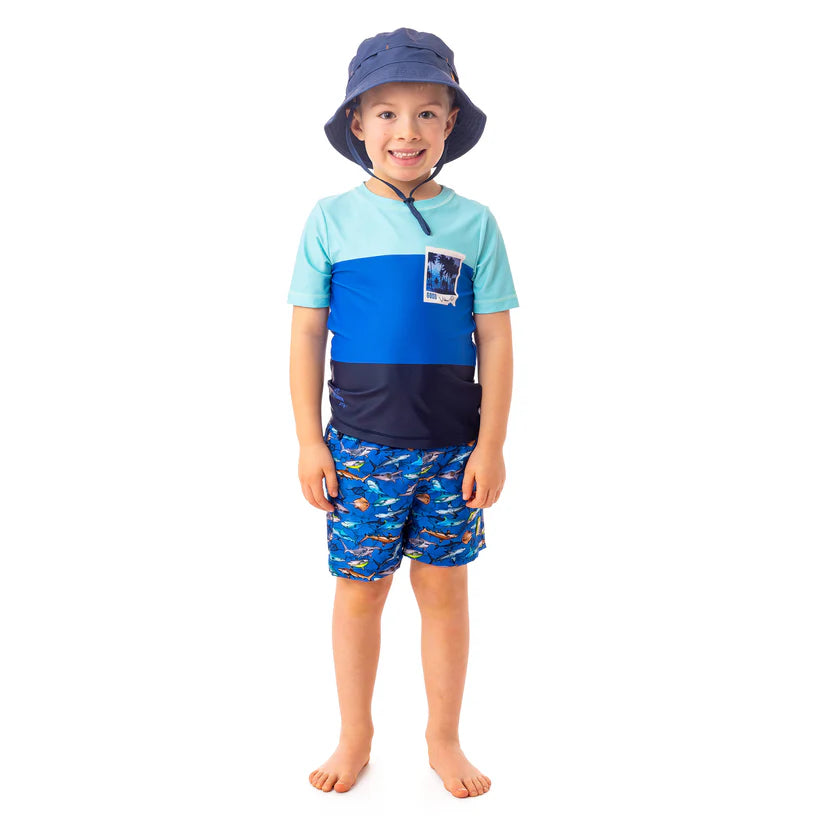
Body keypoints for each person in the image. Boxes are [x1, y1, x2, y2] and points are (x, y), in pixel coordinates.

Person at [287, 27, 519, 798]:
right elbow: (307, 335)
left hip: (452, 450)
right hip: (358, 448)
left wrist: (491, 444)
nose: (405, 131)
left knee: (445, 589)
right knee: (360, 588)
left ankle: (442, 736)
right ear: (357, 124)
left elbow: (495, 339)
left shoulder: (474, 224)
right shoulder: (330, 219)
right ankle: (354, 732)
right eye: (385, 113)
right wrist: (308, 442)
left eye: (425, 113)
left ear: (449, 123)